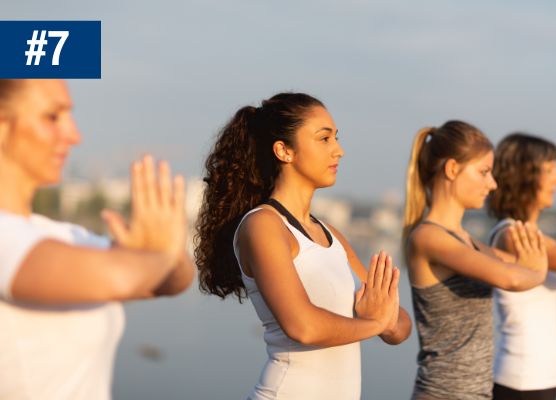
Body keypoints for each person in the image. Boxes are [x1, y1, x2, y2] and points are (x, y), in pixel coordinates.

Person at [194, 92, 412, 399]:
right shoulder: (263, 226)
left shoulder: (331, 235)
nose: (339, 151)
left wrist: (382, 320)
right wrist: (376, 322)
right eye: (324, 139)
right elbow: (302, 326)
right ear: (284, 150)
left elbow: (401, 326)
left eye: (336, 138)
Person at [0, 79, 194, 399]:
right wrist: (159, 253)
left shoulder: (59, 236)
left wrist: (158, 255)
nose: (74, 135)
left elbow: (174, 280)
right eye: (52, 117)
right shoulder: (10, 239)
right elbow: (122, 276)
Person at [401, 120, 549, 400]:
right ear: (452, 169)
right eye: (483, 172)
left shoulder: (467, 242)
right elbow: (512, 277)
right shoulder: (429, 237)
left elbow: (514, 264)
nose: (492, 184)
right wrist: (537, 270)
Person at [487, 133, 556, 400]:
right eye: (549, 170)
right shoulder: (515, 235)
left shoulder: (534, 235)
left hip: (540, 380)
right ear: (524, 175)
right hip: (522, 382)